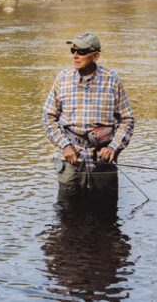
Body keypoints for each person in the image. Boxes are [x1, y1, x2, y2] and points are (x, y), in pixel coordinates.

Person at [42, 31, 135, 202]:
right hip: (71, 161)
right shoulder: (62, 78)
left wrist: (113, 147)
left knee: (106, 219)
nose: (75, 56)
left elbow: (127, 119)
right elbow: (48, 117)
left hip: (103, 161)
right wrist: (65, 146)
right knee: (67, 217)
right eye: (73, 51)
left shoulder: (112, 80)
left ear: (95, 56)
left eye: (82, 52)